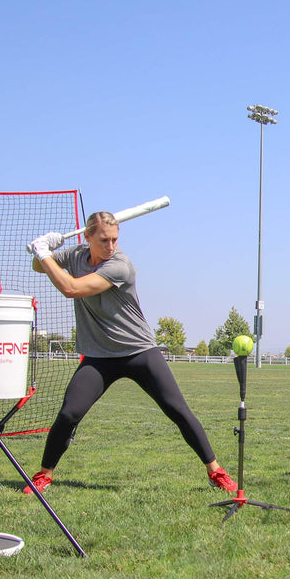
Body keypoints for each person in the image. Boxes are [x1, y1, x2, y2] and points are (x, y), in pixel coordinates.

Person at [25, 212, 237, 495]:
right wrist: (42, 253)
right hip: (99, 357)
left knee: (177, 410)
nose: (110, 246)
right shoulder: (75, 255)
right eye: (104, 240)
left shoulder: (120, 266)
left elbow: (71, 288)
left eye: (114, 239)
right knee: (69, 414)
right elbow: (41, 267)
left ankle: (216, 471)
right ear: (87, 238)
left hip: (138, 351)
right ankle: (44, 474)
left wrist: (44, 253)